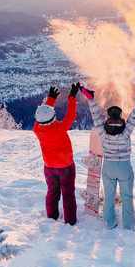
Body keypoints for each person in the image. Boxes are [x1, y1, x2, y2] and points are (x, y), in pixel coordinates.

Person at [80, 86, 135, 229]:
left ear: (108, 117)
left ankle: (109, 222)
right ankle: (129, 225)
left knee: (109, 196)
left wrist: (91, 99)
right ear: (120, 117)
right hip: (124, 166)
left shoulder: (103, 132)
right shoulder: (125, 132)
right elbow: (133, 116)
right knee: (127, 197)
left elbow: (95, 116)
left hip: (108, 166)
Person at [33, 83, 80, 225]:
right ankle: (70, 221)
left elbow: (41, 118)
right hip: (66, 167)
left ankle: (52, 217)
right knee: (68, 194)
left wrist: (50, 100)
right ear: (53, 116)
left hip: (49, 168)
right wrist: (72, 96)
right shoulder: (60, 128)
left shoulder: (37, 129)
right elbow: (71, 114)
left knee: (52, 193)